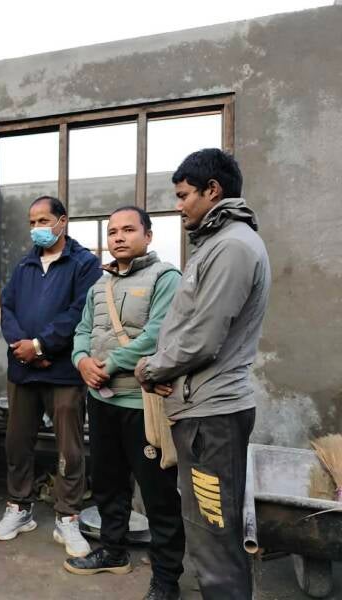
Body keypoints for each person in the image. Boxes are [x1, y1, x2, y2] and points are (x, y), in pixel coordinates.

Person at [134, 149, 271, 600]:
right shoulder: (218, 243)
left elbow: (202, 338)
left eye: (183, 195)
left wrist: (151, 367)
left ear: (212, 190)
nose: (178, 206)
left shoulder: (232, 247)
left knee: (213, 540)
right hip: (203, 412)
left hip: (212, 418)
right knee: (210, 535)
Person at [64, 206, 185, 600]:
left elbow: (158, 334)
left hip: (142, 403)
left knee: (157, 493)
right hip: (101, 400)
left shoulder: (165, 278)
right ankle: (113, 550)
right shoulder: (99, 285)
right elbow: (83, 330)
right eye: (113, 231)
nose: (118, 237)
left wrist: (110, 364)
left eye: (128, 230)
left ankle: (166, 577)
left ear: (148, 235)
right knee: (108, 484)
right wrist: (82, 362)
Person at [0, 195, 101, 558]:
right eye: (32, 222)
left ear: (62, 221)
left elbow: (80, 311)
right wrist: (22, 346)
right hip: (23, 370)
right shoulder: (25, 264)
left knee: (69, 447)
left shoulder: (84, 264)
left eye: (43, 220)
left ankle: (67, 515)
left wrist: (40, 346)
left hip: (64, 371)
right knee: (17, 441)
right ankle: (19, 507)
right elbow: (7, 307)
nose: (37, 228)